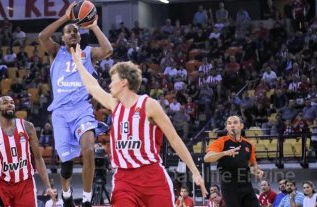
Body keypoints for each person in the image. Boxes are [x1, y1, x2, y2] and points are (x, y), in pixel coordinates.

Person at [70, 44, 207, 207]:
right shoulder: (114, 104)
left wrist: (195, 171)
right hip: (124, 179)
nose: (109, 85)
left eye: (113, 80)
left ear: (123, 83)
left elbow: (174, 139)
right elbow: (92, 87)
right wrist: (78, 63)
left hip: (151, 176)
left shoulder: (149, 104)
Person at [38, 2, 113, 207]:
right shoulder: (55, 52)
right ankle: (67, 193)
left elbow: (108, 49)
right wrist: (65, 18)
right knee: (67, 165)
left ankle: (87, 200)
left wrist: (94, 26)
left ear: (80, 36)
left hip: (82, 109)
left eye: (75, 31)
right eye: (68, 32)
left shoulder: (89, 54)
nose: (72, 34)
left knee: (88, 149)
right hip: (61, 114)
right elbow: (42, 37)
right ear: (62, 37)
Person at [0, 96, 55, 207]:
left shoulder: (27, 127)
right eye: (5, 102)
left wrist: (48, 186)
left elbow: (38, 158)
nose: (10, 104)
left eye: (12, 102)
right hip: (2, 184)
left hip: (25, 184)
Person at [204, 115, 264, 207]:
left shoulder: (249, 144)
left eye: (235, 122)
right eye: (229, 123)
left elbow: (252, 165)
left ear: (242, 126)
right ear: (226, 127)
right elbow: (207, 158)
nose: (232, 125)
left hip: (246, 185)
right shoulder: (221, 141)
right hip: (229, 186)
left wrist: (256, 171)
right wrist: (224, 153)